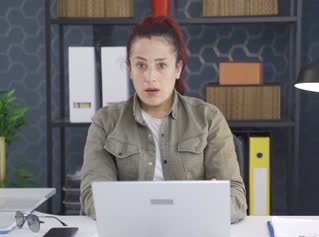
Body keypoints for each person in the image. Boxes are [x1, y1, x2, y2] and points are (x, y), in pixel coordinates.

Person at [80, 16, 247, 223]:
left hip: (193, 233)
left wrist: (180, 216)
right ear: (129, 69)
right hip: (129, 235)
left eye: (161, 66)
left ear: (177, 69)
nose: (150, 77)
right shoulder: (105, 122)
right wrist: (194, 206)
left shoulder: (208, 118)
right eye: (141, 66)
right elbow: (93, 196)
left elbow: (236, 198)